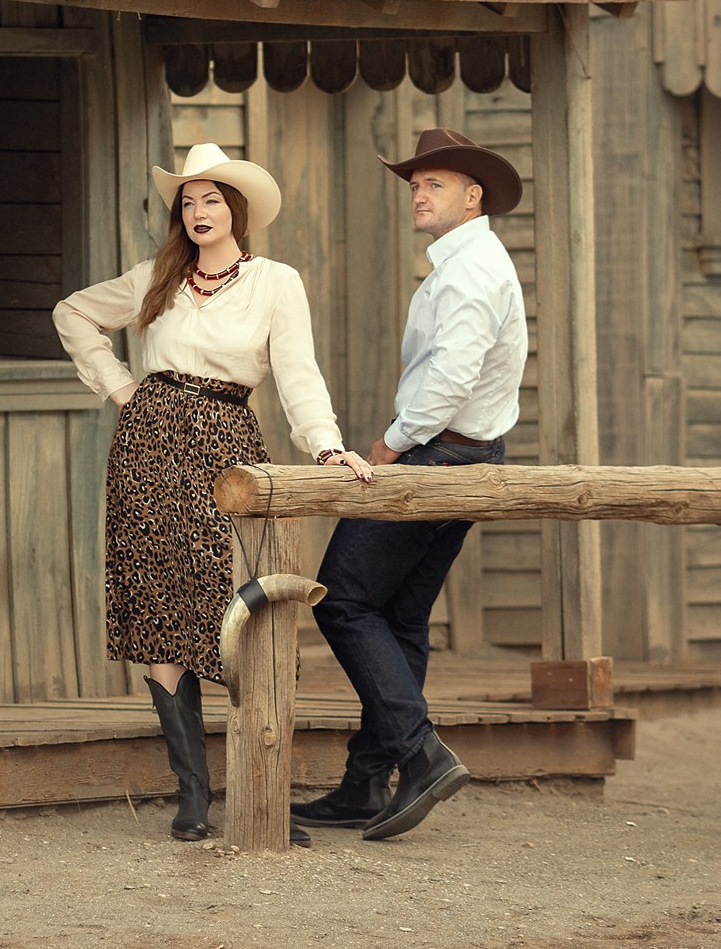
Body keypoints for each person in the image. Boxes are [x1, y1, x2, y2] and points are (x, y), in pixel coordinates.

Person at [54, 142, 368, 845]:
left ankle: (262, 789)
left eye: (211, 199)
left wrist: (323, 443)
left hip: (226, 445)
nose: (198, 211)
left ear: (238, 210)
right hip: (147, 444)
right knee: (163, 601)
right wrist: (120, 387)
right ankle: (191, 796)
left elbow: (296, 370)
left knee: (241, 602)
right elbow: (72, 313)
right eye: (188, 201)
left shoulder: (274, 282)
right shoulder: (155, 277)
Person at [295, 127, 529, 843]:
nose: (418, 194)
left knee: (341, 601)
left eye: (433, 183)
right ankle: (366, 783)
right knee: (396, 618)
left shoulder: (469, 270)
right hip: (466, 456)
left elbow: (452, 376)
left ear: (472, 194)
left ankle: (420, 755)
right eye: (414, 184)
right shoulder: (469, 262)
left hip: (438, 456)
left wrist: (390, 445)